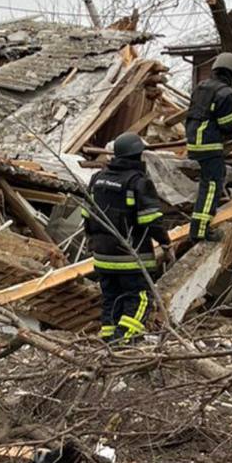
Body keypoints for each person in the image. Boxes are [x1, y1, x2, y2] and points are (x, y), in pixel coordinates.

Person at [83, 133, 172, 344]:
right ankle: (124, 342)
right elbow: (152, 222)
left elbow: (87, 217)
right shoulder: (138, 182)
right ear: (137, 155)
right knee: (140, 298)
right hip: (131, 257)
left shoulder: (97, 179)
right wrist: (166, 242)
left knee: (111, 299)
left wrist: (93, 244)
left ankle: (108, 342)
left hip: (103, 256)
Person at [185, 52, 232, 242]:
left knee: (206, 185)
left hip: (195, 141)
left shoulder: (201, 87)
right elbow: (227, 124)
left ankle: (198, 227)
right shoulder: (225, 93)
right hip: (209, 144)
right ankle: (200, 231)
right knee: (211, 187)